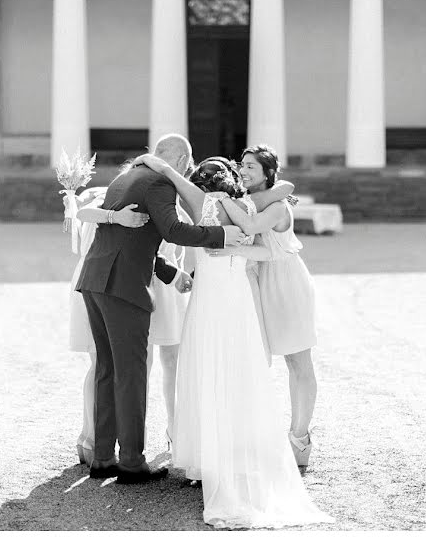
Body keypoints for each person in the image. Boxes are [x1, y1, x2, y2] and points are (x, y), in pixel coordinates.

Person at [134, 154, 333, 529]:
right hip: (217, 294)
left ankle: (234, 451)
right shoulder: (235, 203)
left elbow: (264, 246)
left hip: (232, 294)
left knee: (225, 367)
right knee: (222, 366)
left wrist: (152, 163)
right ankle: (212, 453)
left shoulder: (236, 205)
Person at [75, 134, 246, 484]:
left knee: (107, 370)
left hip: (95, 281)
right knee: (132, 374)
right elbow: (173, 230)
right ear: (181, 161)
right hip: (122, 288)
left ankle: (104, 457)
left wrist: (170, 273)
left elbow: (133, 240)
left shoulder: (126, 178)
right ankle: (133, 463)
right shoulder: (159, 183)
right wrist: (220, 236)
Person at [219, 145, 320, 469]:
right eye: (242, 165)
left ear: (267, 174)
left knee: (297, 359)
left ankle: (300, 437)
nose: (244, 170)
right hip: (260, 282)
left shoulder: (276, 206)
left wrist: (221, 200)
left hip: (287, 283)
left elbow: (249, 227)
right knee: (258, 359)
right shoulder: (251, 200)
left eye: (251, 166)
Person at [62, 187, 150, 466]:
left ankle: (91, 440)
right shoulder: (111, 208)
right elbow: (86, 215)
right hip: (104, 283)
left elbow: (82, 218)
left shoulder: (103, 206)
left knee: (100, 364)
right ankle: (96, 441)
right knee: (106, 365)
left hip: (91, 280)